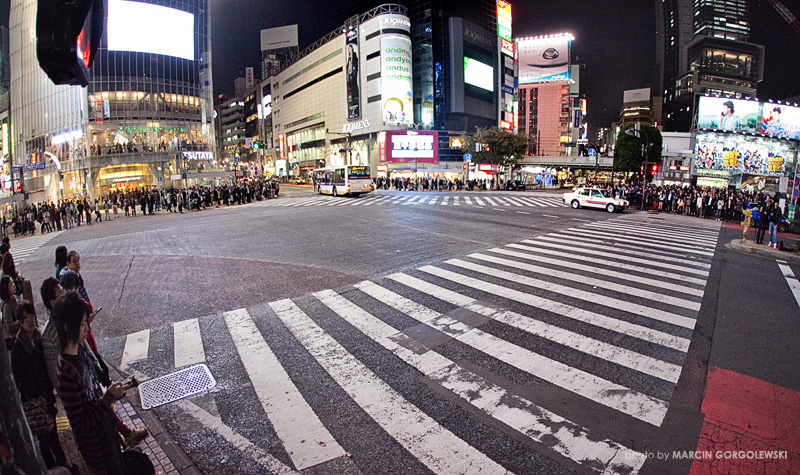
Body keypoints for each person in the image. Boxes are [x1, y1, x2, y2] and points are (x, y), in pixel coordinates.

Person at [55, 291, 133, 474]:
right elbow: (80, 423)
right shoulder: (65, 370)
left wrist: (114, 394)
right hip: (96, 447)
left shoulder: (82, 346)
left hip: (107, 431)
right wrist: (108, 399)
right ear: (67, 327)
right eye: (82, 324)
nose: (87, 329)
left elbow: (97, 389)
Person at [10, 300, 78, 472]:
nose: (30, 320)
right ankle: (52, 466)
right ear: (19, 321)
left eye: (31, 315)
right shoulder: (18, 347)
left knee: (53, 431)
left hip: (46, 395)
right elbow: (19, 378)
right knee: (42, 435)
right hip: (33, 400)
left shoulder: (40, 339)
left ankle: (63, 463)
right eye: (24, 317)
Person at [1, 275, 19, 350]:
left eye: (13, 283)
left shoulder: (15, 298)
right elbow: (9, 327)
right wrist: (21, 320)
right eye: (11, 284)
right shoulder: (6, 305)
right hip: (11, 339)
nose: (14, 285)